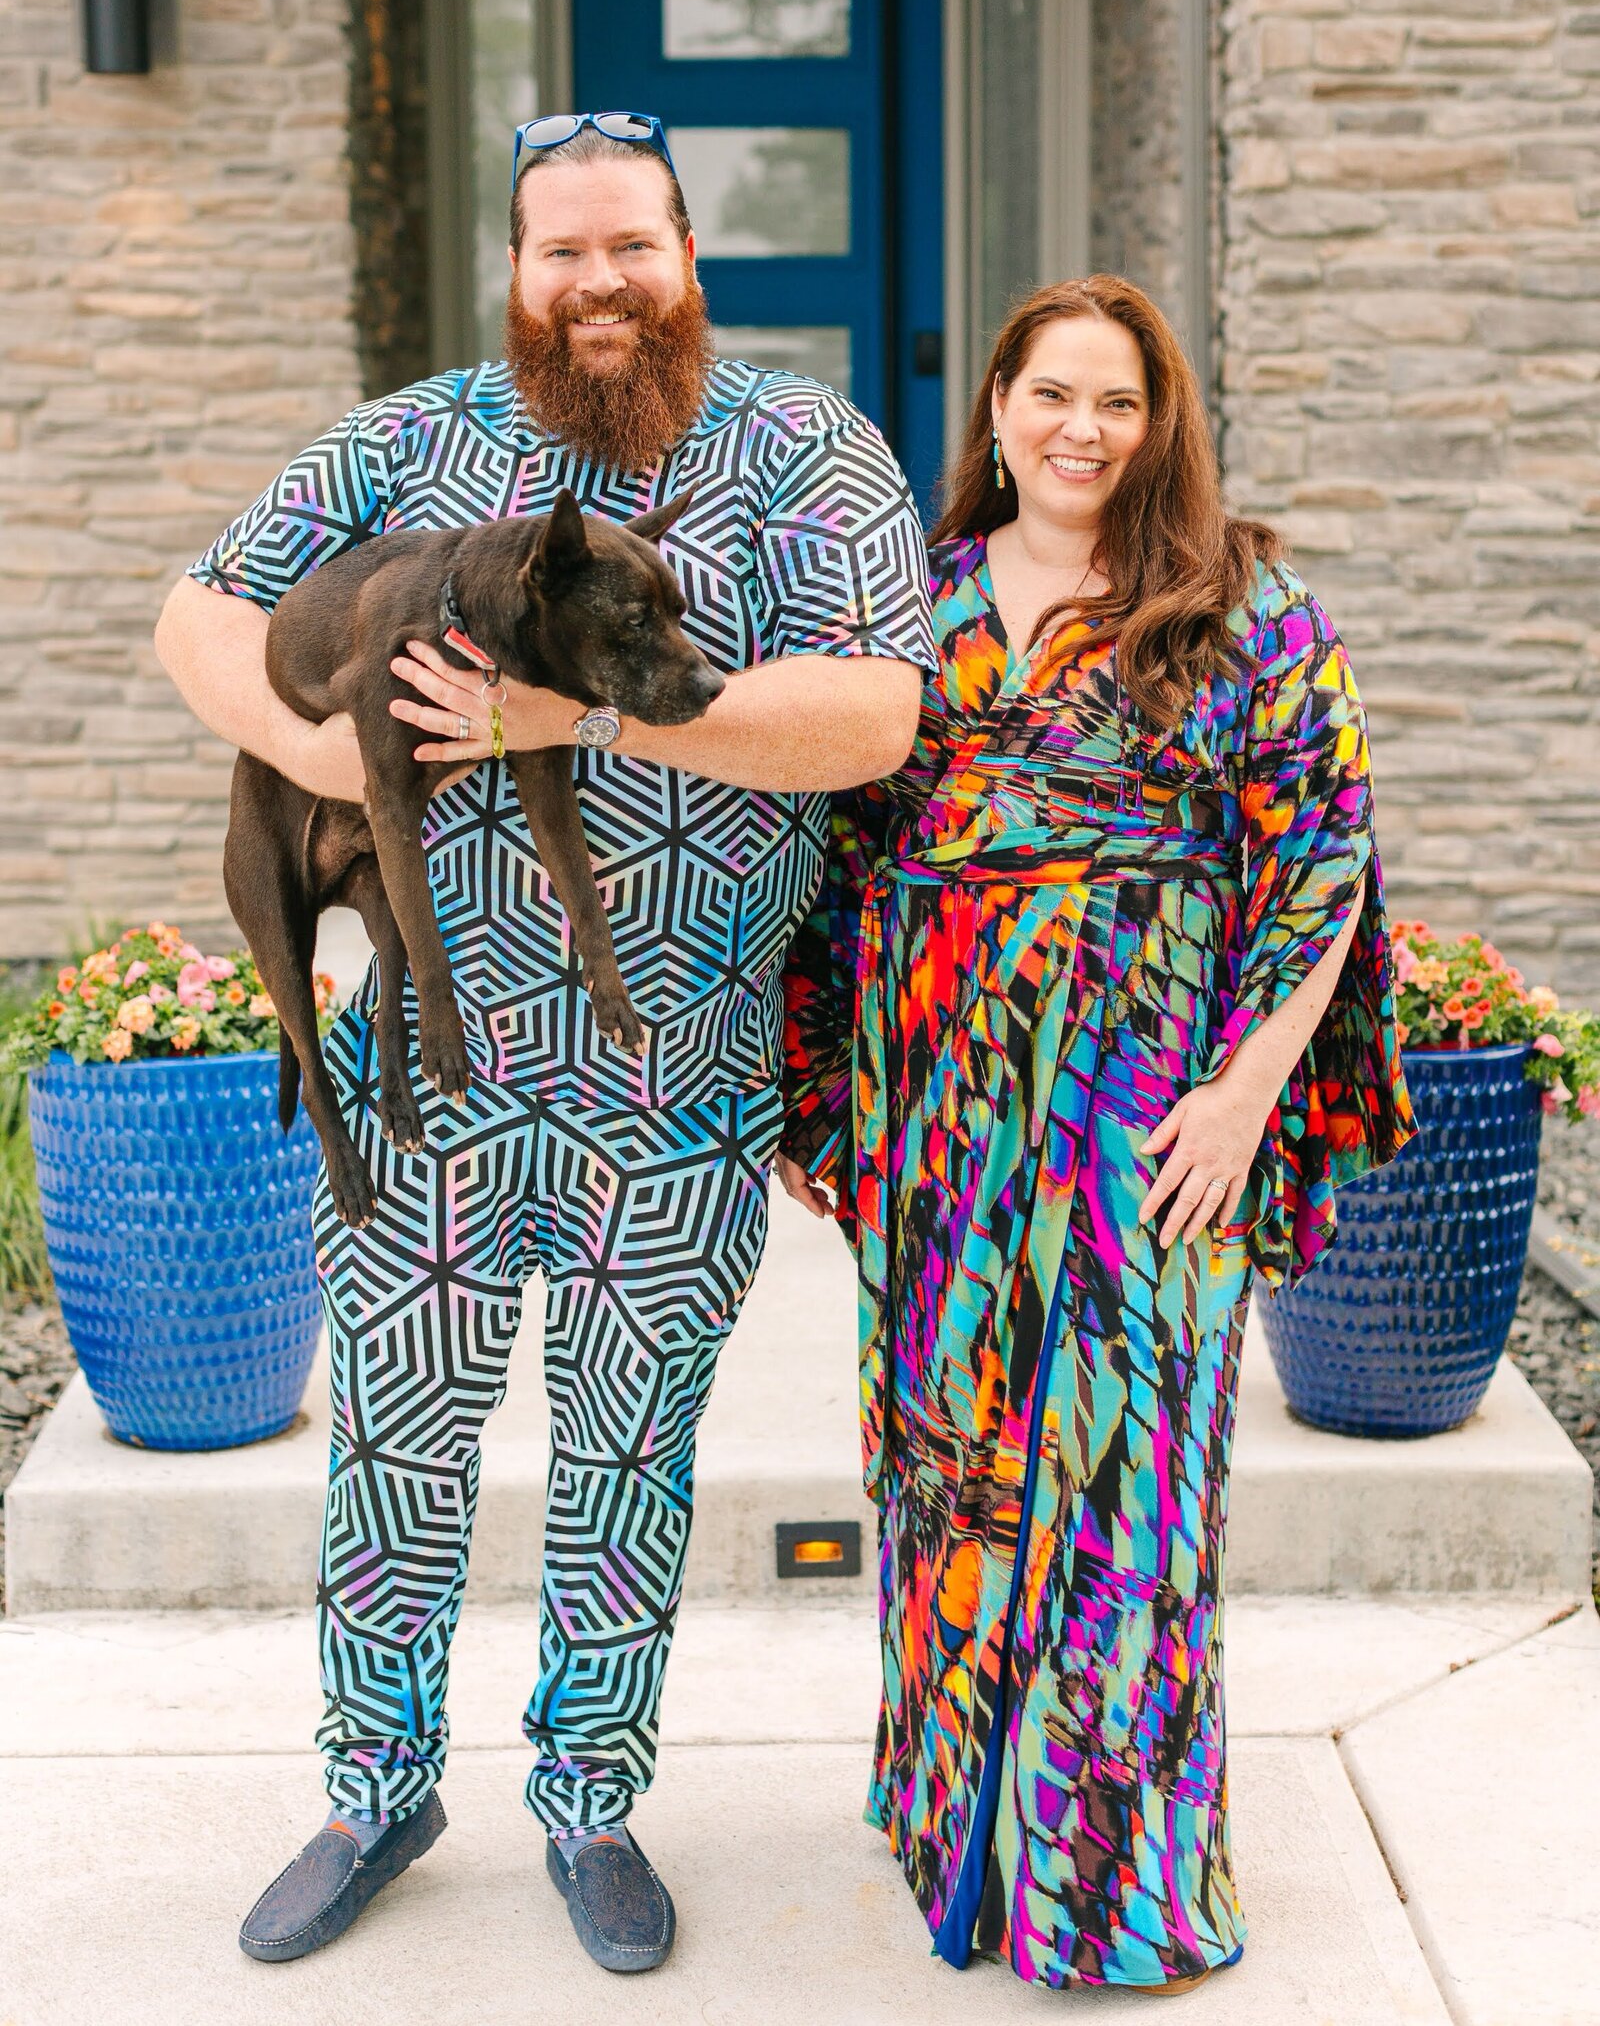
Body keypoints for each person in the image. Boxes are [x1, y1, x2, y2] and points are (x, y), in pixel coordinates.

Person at [155, 111, 934, 1973]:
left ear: (689, 257)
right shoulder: (411, 439)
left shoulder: (807, 455)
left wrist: (571, 725)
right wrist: (337, 758)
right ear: (518, 271)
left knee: (628, 1454)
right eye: (560, 253)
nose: (597, 286)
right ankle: (376, 1785)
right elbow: (196, 612)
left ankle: (591, 1801)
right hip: (423, 1080)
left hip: (678, 1080)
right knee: (396, 1446)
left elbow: (875, 719)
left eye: (631, 250)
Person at [778, 274, 1413, 1995]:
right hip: (941, 1122)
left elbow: (1322, 857)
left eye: (1117, 403)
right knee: (948, 1466)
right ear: (995, 406)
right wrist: (818, 1084)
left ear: (1159, 425)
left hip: (1156, 1117)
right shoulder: (898, 615)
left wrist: (1251, 1090)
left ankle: (1112, 1884)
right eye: (1052, 394)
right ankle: (956, 1837)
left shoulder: (1240, 606)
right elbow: (831, 873)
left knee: (1131, 1484)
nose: (1081, 429)